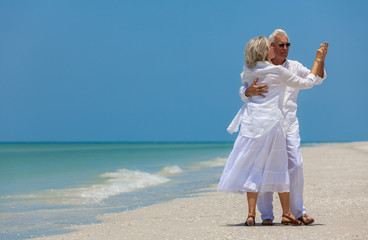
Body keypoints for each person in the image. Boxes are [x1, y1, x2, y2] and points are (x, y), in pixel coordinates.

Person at [217, 35, 326, 226]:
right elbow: (308, 82)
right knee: (276, 167)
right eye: (277, 45)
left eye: (287, 44)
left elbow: (316, 79)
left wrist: (320, 61)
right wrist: (247, 91)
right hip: (272, 124)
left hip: (266, 124)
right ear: (269, 49)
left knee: (275, 167)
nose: (283, 48)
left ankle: (275, 213)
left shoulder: (251, 69)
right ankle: (274, 214)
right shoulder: (275, 71)